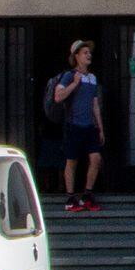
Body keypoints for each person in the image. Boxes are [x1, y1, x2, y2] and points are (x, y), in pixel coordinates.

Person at [50, 40, 105, 212]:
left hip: (90, 125)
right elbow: (58, 97)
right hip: (73, 124)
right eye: (85, 53)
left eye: (89, 52)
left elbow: (95, 104)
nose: (89, 55)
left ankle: (87, 194)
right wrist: (74, 83)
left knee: (96, 158)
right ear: (76, 56)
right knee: (71, 160)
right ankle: (70, 197)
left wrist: (100, 127)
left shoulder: (93, 78)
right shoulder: (69, 75)